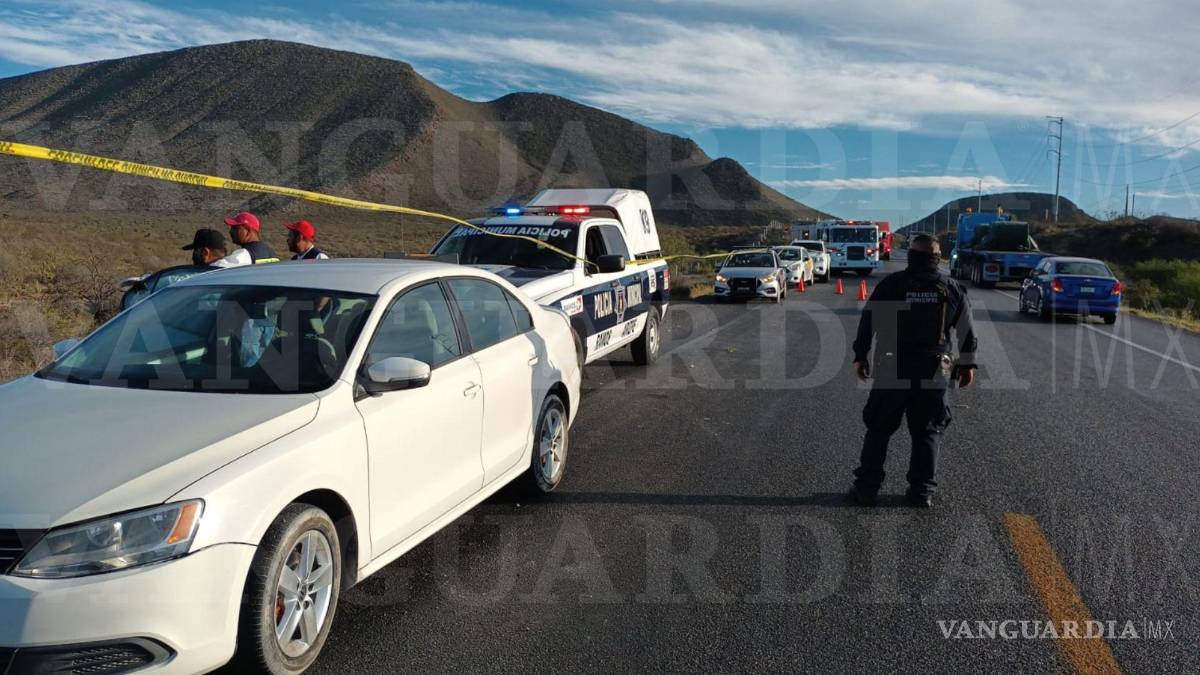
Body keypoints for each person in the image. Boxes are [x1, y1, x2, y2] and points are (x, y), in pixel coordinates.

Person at [848, 234, 977, 508]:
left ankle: (866, 489)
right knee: (928, 431)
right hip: (934, 369)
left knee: (879, 429)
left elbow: (867, 320)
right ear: (937, 256)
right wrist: (967, 364)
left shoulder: (891, 285)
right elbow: (966, 331)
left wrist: (860, 355)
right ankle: (921, 491)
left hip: (892, 365)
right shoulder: (951, 288)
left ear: (910, 255)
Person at [182, 228, 251, 268]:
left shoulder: (204, 280)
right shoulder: (238, 270)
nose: (193, 257)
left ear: (206, 253)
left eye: (195, 251)